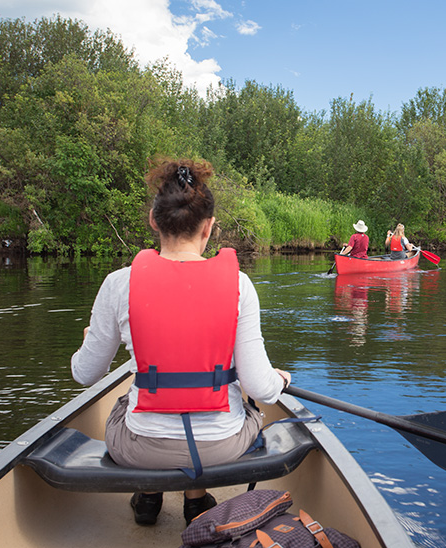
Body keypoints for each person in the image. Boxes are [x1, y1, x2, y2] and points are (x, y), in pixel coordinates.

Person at [71, 158, 291, 527]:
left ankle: (148, 495)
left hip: (142, 449)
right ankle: (196, 503)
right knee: (251, 405)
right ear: (209, 227)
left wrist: (88, 343)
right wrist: (281, 380)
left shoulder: (118, 284)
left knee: (126, 401)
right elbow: (258, 386)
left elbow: (85, 374)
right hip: (222, 448)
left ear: (154, 220)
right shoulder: (240, 286)